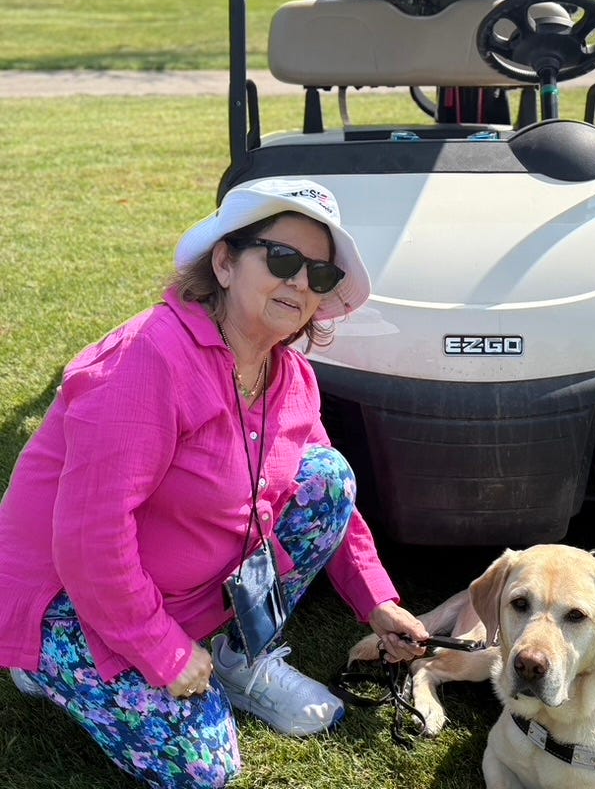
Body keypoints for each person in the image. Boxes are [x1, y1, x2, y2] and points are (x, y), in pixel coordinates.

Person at [0, 177, 429, 789]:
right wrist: (161, 651)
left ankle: (236, 655)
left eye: (321, 275)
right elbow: (90, 537)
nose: (301, 283)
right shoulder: (146, 360)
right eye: (282, 259)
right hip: (71, 600)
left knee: (327, 480)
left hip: (177, 585)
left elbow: (332, 501)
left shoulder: (290, 375)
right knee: (205, 770)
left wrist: (376, 601)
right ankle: (43, 665)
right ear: (224, 263)